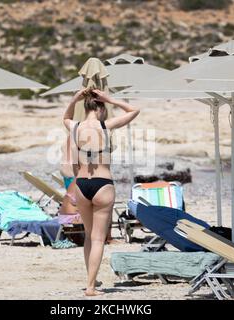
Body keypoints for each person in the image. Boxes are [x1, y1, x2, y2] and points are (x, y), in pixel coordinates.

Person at [63, 88, 140, 296]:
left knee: (89, 236)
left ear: (85, 107)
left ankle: (92, 279)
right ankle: (90, 287)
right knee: (98, 238)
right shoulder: (106, 126)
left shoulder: (75, 127)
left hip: (81, 185)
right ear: (100, 108)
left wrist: (74, 98)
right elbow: (134, 110)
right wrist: (111, 99)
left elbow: (66, 116)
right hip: (102, 184)